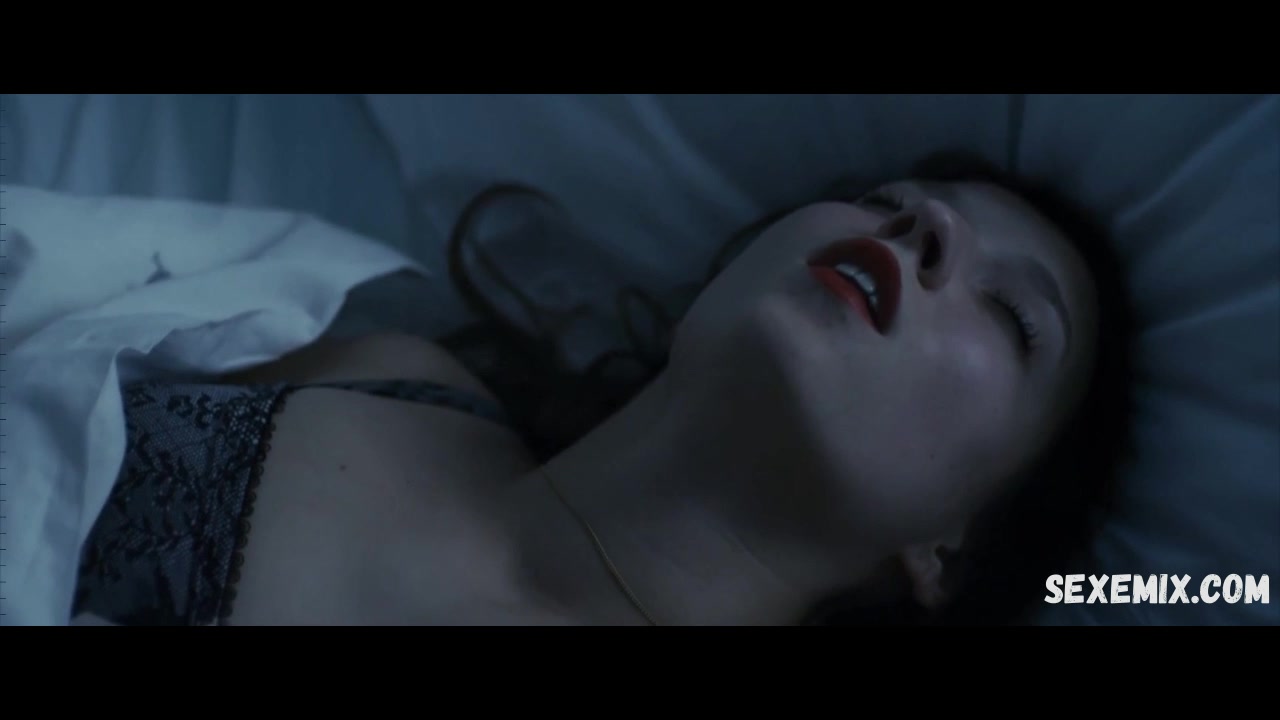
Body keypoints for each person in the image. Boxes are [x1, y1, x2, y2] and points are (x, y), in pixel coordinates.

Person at [71, 151, 1133, 626]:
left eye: (1012, 315)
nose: (922, 224)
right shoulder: (389, 375)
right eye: (885, 200)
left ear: (949, 549)